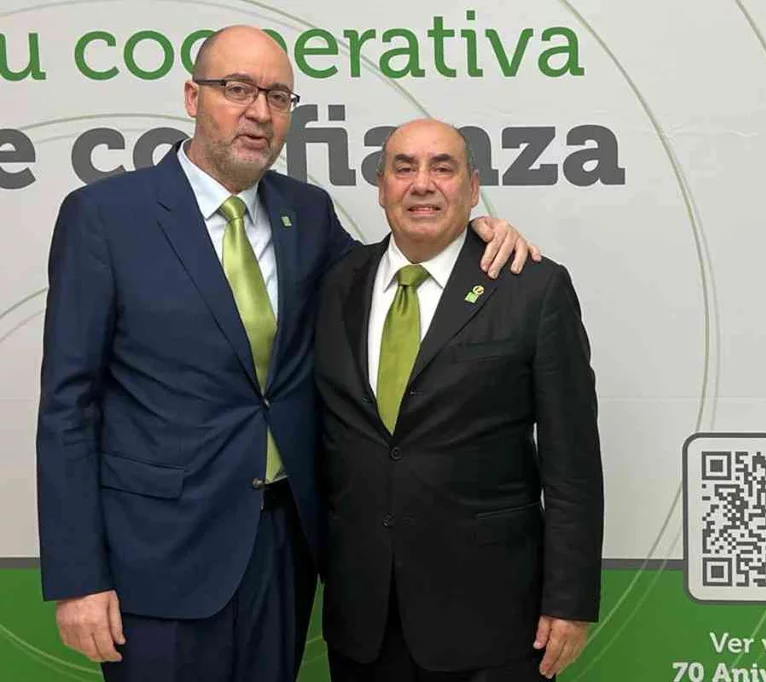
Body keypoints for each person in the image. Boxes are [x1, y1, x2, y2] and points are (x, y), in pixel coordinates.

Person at [36, 25, 537, 682]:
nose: (258, 112)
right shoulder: (104, 216)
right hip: (155, 559)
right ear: (192, 95)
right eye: (236, 89)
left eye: (277, 96)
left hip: (283, 544)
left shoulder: (308, 213)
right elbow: (68, 406)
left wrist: (469, 230)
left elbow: (383, 276)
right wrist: (78, 578)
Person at [314, 118, 604, 681]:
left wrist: (569, 601)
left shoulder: (532, 288)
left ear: (473, 189)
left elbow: (573, 466)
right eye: (404, 168)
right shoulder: (335, 284)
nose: (422, 184)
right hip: (363, 620)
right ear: (381, 186)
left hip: (493, 620)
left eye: (442, 168)